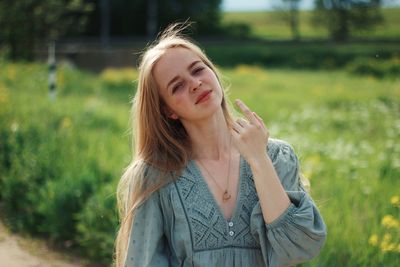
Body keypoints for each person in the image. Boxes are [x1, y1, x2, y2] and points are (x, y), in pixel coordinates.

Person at [115, 23, 327, 267]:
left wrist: (259, 160)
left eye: (198, 70)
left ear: (213, 72)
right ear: (168, 110)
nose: (195, 83)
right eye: (178, 86)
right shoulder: (154, 174)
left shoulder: (277, 156)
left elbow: (299, 248)